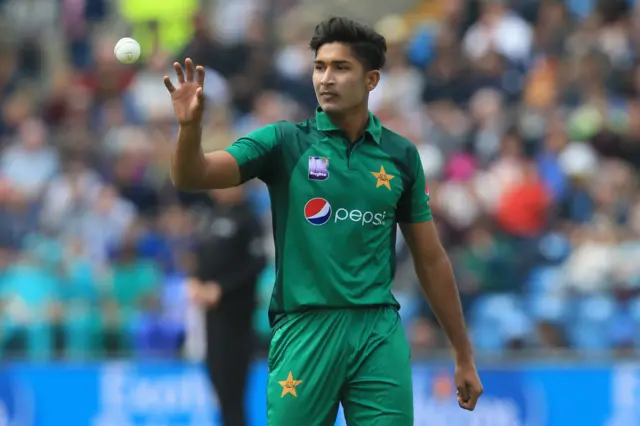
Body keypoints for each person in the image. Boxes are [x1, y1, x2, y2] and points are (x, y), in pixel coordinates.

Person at [165, 16, 483, 426]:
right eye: (319, 67)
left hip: (377, 332)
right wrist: (189, 129)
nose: (325, 78)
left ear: (371, 80)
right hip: (304, 331)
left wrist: (463, 353)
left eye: (340, 67)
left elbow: (431, 258)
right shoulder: (284, 142)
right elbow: (192, 176)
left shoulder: (401, 155)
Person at [187, 187, 266, 426]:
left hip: (236, 316)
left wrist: (221, 288)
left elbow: (256, 262)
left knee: (233, 390)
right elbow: (200, 254)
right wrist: (195, 280)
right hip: (210, 315)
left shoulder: (248, 218)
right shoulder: (211, 216)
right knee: (218, 386)